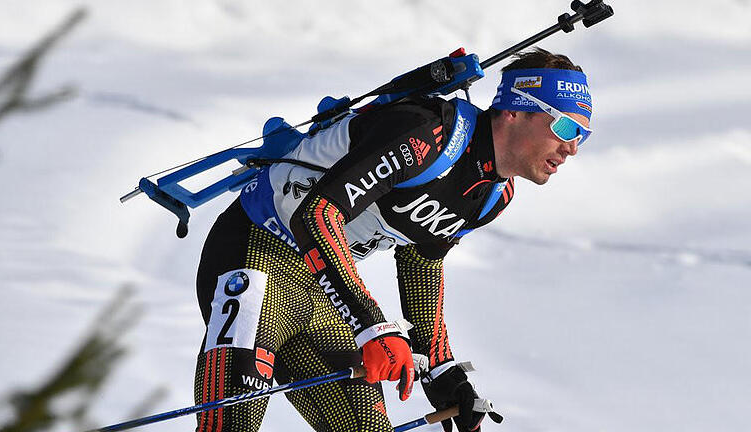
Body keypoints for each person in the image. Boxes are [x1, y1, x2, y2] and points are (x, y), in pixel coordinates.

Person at [193, 47, 593, 432]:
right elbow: (316, 214)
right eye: (565, 126)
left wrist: (443, 374)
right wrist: (373, 327)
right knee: (231, 422)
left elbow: (422, 263)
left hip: (319, 290)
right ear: (514, 111)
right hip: (258, 251)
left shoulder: (491, 196)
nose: (572, 147)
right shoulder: (428, 134)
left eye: (582, 136)